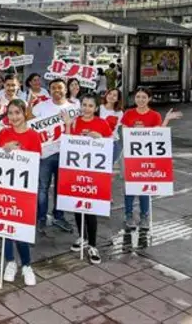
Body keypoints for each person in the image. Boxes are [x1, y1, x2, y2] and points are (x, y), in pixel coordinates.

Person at [120, 87, 182, 230]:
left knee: (144, 187)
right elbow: (124, 132)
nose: (140, 99)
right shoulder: (128, 114)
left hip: (147, 157)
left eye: (143, 97)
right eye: (138, 97)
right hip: (130, 155)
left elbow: (159, 134)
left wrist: (166, 119)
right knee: (129, 187)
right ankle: (128, 215)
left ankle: (144, 216)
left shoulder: (154, 115)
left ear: (149, 99)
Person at [0, 99, 39, 286]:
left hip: (24, 190)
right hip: (5, 188)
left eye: (17, 113)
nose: (14, 117)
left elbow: (36, 161)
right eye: (10, 113)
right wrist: (4, 150)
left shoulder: (34, 135)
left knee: (21, 229)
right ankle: (11, 262)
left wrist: (21, 152)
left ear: (24, 113)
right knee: (5, 228)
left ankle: (27, 265)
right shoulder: (3, 133)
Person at [68, 94, 113, 265]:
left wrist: (99, 138)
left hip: (94, 173)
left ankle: (93, 245)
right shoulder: (75, 122)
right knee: (77, 206)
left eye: (90, 106)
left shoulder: (102, 123)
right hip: (76, 170)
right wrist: (67, 125)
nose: (86, 108)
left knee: (91, 209)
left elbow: (109, 144)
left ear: (95, 108)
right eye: (84, 105)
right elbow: (68, 140)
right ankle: (82, 237)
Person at [30, 78, 78, 233]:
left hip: (66, 154)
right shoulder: (41, 106)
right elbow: (29, 122)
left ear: (66, 90)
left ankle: (59, 216)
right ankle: (41, 218)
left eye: (60, 87)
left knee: (61, 188)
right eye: (53, 88)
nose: (57, 90)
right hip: (45, 155)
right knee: (42, 188)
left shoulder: (74, 107)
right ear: (49, 90)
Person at [100, 88, 124, 164]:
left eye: (114, 95)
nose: (111, 96)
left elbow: (121, 128)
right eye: (110, 94)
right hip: (99, 143)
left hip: (113, 144)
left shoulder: (119, 113)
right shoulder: (99, 108)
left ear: (117, 99)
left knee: (109, 167)